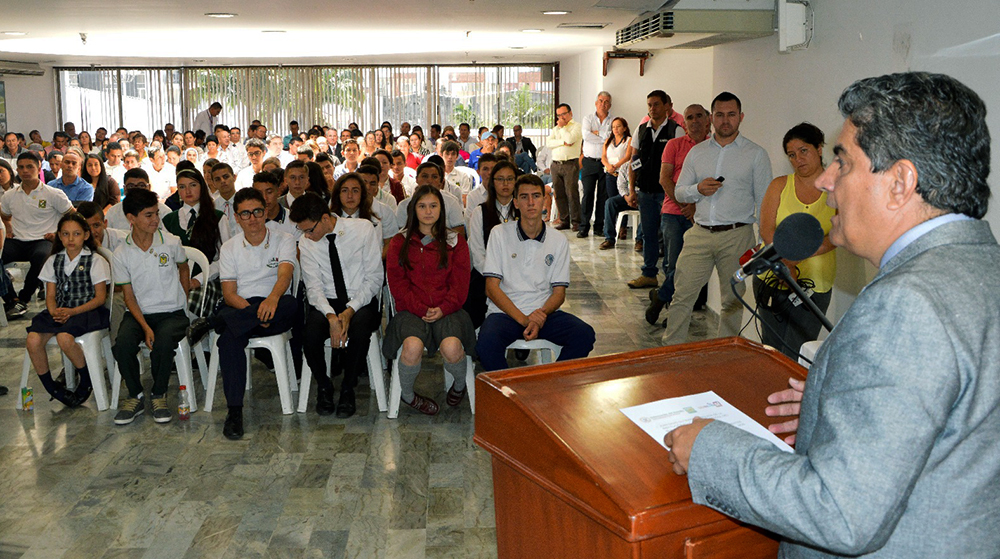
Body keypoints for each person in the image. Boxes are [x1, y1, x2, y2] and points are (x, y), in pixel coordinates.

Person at [665, 71, 1000, 559]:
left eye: (841, 161)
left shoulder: (907, 305)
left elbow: (841, 513)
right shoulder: (980, 265)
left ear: (901, 182)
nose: (824, 179)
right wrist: (834, 405)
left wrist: (711, 450)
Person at [662, 92, 772, 345]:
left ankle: (725, 355)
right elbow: (679, 190)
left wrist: (761, 242)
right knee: (682, 296)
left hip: (738, 235)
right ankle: (670, 351)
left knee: (733, 301)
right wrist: (697, 190)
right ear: (712, 118)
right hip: (699, 233)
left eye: (731, 115)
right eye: (720, 115)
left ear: (741, 117)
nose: (725, 120)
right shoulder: (698, 152)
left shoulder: (755, 154)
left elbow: (765, 201)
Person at [476, 175, 595, 371]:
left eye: (536, 196)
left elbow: (559, 293)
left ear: (545, 200)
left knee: (584, 334)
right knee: (486, 343)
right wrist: (525, 320)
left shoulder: (558, 240)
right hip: (505, 313)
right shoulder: (499, 234)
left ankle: (549, 384)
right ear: (515, 202)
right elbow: (491, 288)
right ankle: (511, 392)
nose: (531, 202)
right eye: (524, 197)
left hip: (544, 313)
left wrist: (539, 316)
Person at [384, 184, 476, 414]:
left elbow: (461, 283)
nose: (428, 211)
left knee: (452, 347)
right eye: (422, 206)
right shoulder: (399, 241)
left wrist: (443, 308)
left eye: (433, 206)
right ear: (413, 210)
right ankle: (407, 395)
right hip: (411, 310)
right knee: (412, 347)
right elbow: (398, 284)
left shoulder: (455, 241)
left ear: (441, 209)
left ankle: (459, 385)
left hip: (450, 309)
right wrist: (421, 308)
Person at [214, 188, 297, 439]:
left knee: (291, 304)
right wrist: (254, 313)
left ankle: (213, 322)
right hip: (242, 306)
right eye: (246, 214)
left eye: (258, 211)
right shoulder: (229, 247)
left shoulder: (284, 239)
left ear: (266, 211)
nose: (253, 218)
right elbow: (229, 293)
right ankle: (235, 412)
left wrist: (271, 300)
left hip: (276, 305)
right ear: (237, 218)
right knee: (228, 341)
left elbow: (285, 275)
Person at [290, 193, 382, 417]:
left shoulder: (362, 229)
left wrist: (350, 310)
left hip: (361, 298)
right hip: (327, 301)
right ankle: (324, 385)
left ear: (324, 218)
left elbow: (374, 278)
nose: (307, 236)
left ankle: (348, 389)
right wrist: (331, 316)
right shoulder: (306, 242)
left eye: (309, 229)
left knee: (360, 331)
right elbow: (313, 287)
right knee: (309, 334)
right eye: (302, 231)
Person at [751, 123, 837, 358]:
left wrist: (800, 256)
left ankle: (791, 395)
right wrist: (786, 262)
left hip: (815, 284)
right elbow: (767, 230)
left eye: (803, 150)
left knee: (797, 352)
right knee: (772, 349)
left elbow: (839, 235)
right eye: (791, 154)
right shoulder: (779, 185)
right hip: (773, 276)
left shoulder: (838, 188)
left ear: (819, 149)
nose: (798, 159)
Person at [111, 189, 191, 425]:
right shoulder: (121, 252)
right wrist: (145, 326)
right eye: (148, 215)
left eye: (156, 213)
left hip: (172, 313)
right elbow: (128, 296)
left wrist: (183, 298)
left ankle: (159, 394)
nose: (155, 220)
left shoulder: (171, 242)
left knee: (164, 341)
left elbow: (184, 268)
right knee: (123, 343)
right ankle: (135, 395)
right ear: (131, 218)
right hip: (138, 313)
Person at [25, 212, 111, 408]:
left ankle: (86, 379)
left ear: (86, 235)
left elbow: (100, 298)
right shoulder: (54, 260)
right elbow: (50, 295)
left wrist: (72, 312)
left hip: (86, 311)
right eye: (65, 234)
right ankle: (52, 387)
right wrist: (54, 311)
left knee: (65, 337)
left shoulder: (96, 260)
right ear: (59, 236)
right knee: (33, 339)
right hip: (60, 310)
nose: (71, 239)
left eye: (77, 234)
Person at [645, 104, 713, 325]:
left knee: (693, 269)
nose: (694, 121)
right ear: (683, 123)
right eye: (689, 117)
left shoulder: (715, 149)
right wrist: (685, 205)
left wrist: (695, 207)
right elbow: (664, 179)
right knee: (675, 266)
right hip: (673, 213)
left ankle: (665, 301)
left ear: (708, 120)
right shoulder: (674, 145)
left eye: (699, 116)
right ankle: (673, 309)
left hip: (703, 216)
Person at [2, 152, 75, 317]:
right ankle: (12, 299)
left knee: (41, 256)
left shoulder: (53, 194)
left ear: (39, 168)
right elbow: (5, 216)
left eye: (29, 167)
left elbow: (73, 216)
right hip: (18, 240)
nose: (25, 171)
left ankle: (24, 298)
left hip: (43, 240)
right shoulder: (10, 196)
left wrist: (59, 234)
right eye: (21, 167)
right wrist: (9, 229)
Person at [627, 91, 683, 289]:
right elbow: (633, 161)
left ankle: (670, 279)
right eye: (649, 104)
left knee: (668, 237)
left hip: (667, 194)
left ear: (667, 106)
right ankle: (649, 273)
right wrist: (632, 190)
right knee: (649, 234)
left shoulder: (676, 131)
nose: (652, 108)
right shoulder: (640, 130)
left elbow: (680, 165)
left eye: (657, 104)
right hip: (645, 192)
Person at [161, 169, 229, 319]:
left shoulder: (217, 218)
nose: (188, 191)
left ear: (202, 187)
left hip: (208, 282)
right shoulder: (168, 220)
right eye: (182, 187)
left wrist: (198, 279)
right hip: (175, 282)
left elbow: (225, 259)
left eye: (193, 185)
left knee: (189, 302)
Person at [465, 160, 518, 328]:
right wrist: (495, 277)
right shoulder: (479, 212)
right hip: (485, 274)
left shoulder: (523, 211)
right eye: (500, 179)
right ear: (492, 182)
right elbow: (477, 252)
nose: (505, 184)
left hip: (519, 274)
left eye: (510, 179)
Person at [578, 92, 614, 238]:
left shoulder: (613, 120)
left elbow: (611, 137)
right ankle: (584, 227)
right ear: (596, 102)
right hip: (589, 161)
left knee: (603, 196)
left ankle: (599, 227)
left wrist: (597, 133)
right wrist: (603, 135)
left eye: (606, 102)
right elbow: (586, 135)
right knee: (587, 195)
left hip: (605, 163)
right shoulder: (588, 118)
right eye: (600, 101)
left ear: (610, 105)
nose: (603, 104)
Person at [395, 162, 466, 236]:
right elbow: (401, 235)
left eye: (434, 177)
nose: (429, 181)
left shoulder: (452, 202)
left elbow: (459, 232)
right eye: (425, 176)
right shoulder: (404, 205)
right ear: (416, 179)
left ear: (440, 181)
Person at [599, 117, 635, 250]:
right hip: (610, 174)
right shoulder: (608, 141)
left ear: (624, 128)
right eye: (613, 127)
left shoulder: (629, 140)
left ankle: (623, 228)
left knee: (623, 199)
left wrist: (616, 166)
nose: (615, 129)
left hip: (624, 173)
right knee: (612, 201)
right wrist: (609, 166)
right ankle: (610, 233)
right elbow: (603, 156)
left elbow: (627, 157)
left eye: (618, 126)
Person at [545, 104, 583, 231]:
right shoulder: (555, 128)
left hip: (570, 164)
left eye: (563, 114)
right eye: (559, 115)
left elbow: (570, 139)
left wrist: (563, 129)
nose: (561, 117)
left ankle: (576, 221)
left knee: (572, 193)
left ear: (570, 113)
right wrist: (562, 142)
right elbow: (549, 143)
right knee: (559, 193)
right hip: (556, 164)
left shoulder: (576, 126)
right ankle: (564, 220)